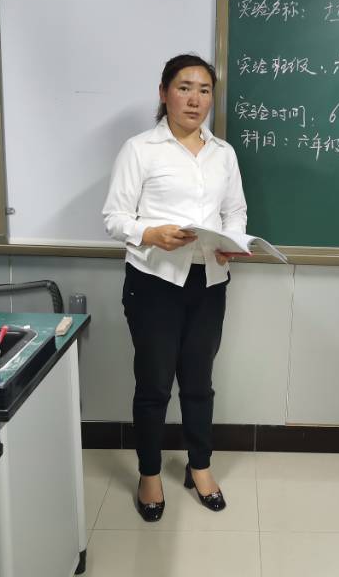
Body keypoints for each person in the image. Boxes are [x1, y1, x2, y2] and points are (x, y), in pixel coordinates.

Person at [102, 54, 247, 522]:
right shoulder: (140, 149)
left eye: (204, 90)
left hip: (209, 282)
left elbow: (235, 212)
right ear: (164, 93)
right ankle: (149, 473)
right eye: (185, 88)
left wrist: (231, 243)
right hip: (154, 283)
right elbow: (114, 217)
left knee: (199, 383)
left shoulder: (223, 153)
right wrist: (150, 233)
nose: (195, 99)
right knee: (154, 385)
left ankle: (199, 466)